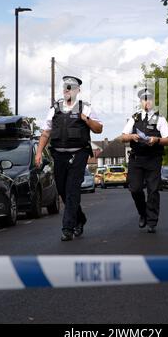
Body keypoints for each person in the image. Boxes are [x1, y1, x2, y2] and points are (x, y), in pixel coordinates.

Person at [35, 76, 103, 241]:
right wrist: (38, 153)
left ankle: (68, 228)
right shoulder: (54, 109)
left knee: (72, 190)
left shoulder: (84, 108)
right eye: (66, 87)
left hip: (78, 153)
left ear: (77, 90)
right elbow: (45, 133)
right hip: (59, 154)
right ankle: (80, 218)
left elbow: (99, 129)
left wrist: (85, 119)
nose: (67, 90)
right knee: (62, 191)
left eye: (71, 87)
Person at [121, 88, 168, 233]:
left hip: (153, 159)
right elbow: (123, 137)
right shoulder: (134, 118)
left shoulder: (160, 118)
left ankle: (152, 222)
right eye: (144, 99)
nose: (147, 102)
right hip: (136, 159)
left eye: (149, 99)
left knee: (153, 190)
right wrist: (131, 137)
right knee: (135, 189)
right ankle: (143, 213)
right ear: (140, 101)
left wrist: (156, 140)